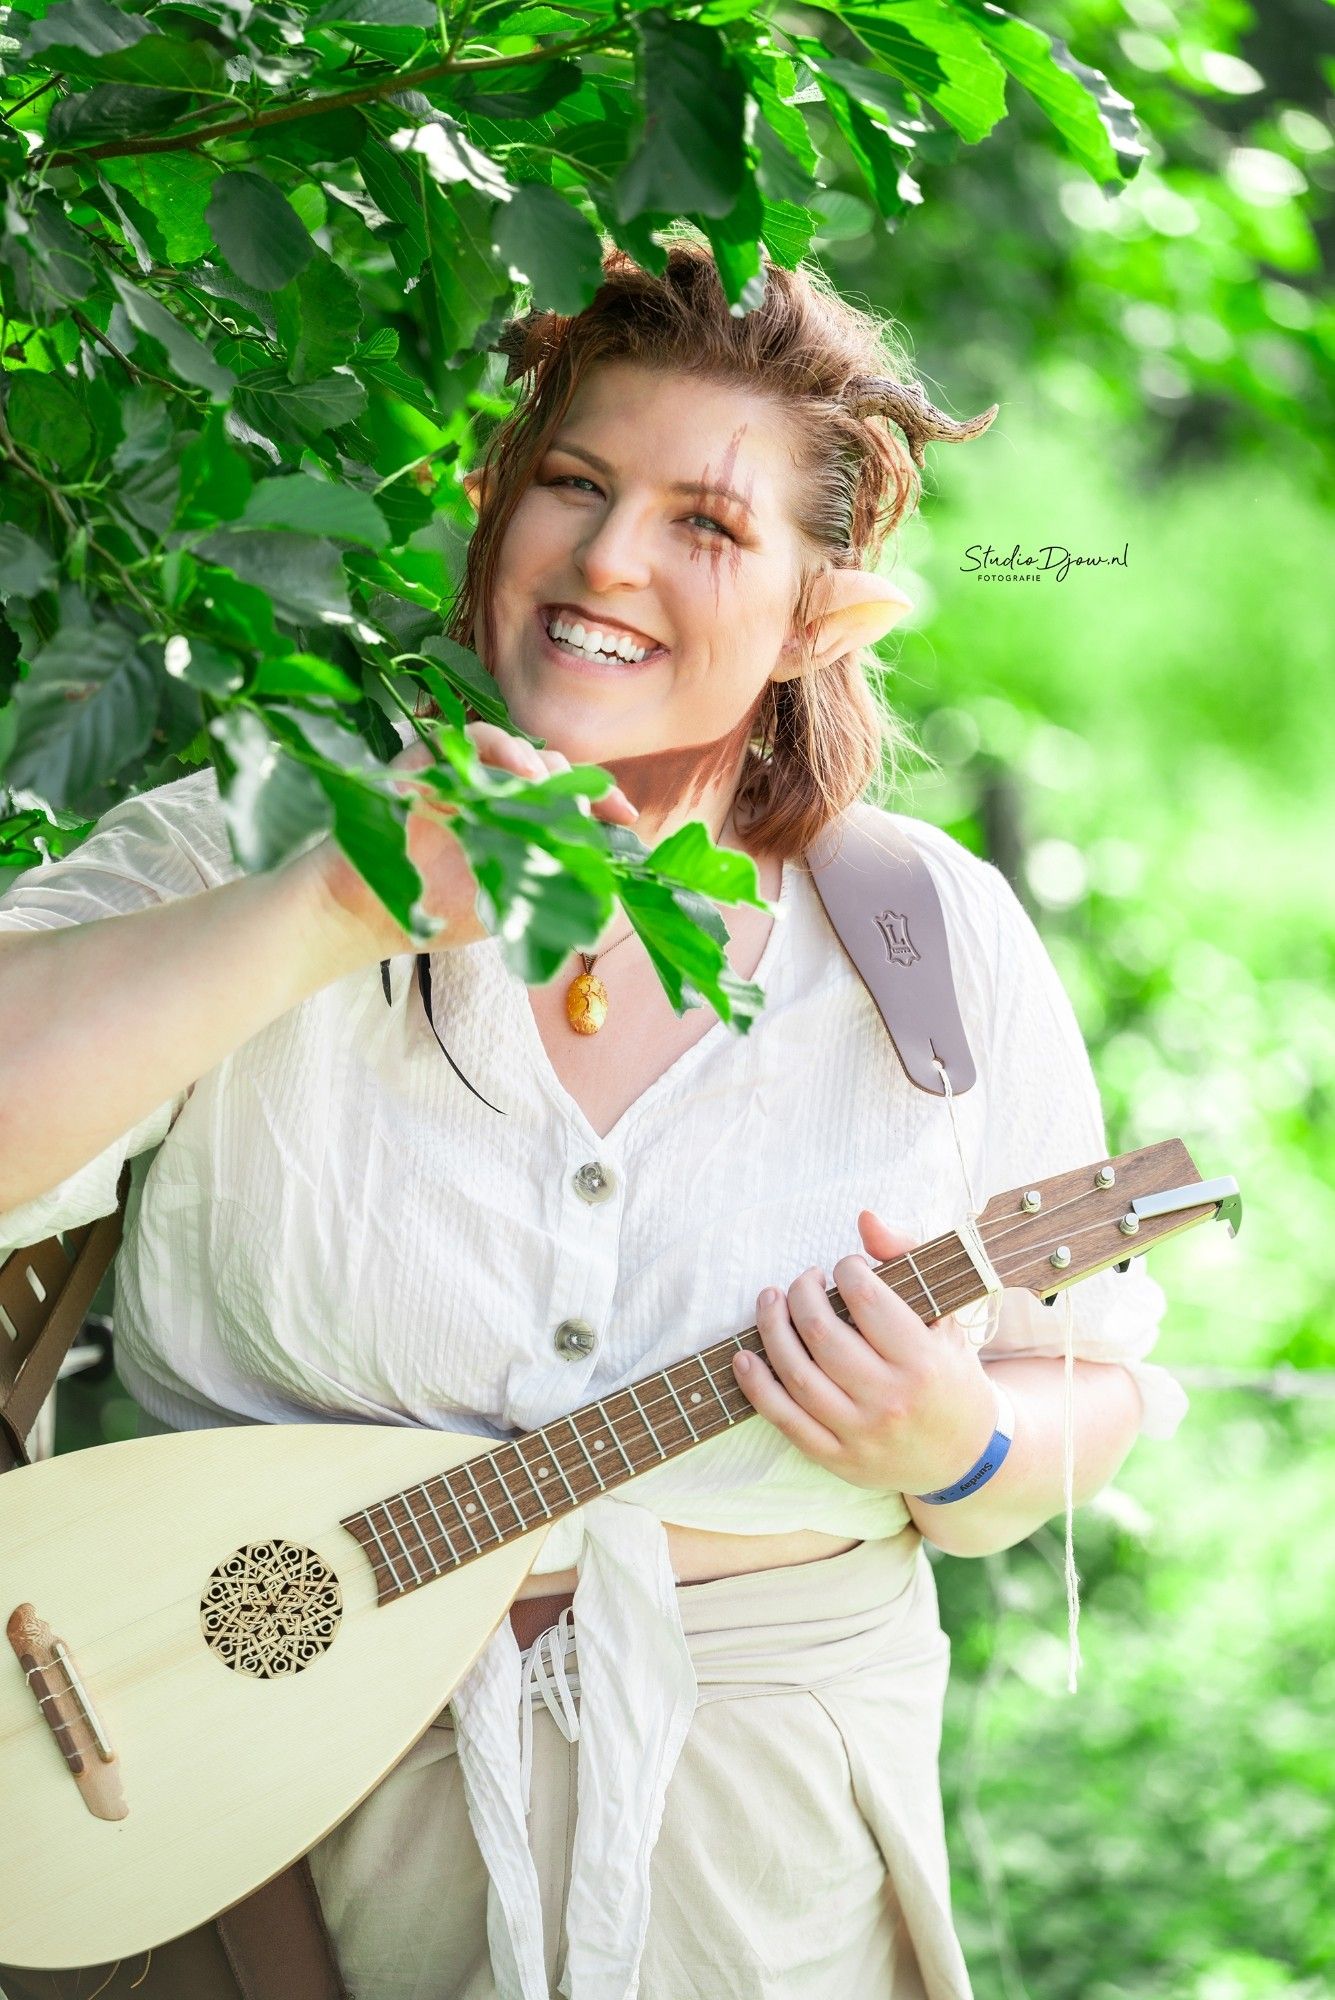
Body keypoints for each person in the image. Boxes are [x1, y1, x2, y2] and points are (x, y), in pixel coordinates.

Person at [0, 239, 1186, 2000]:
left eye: (707, 526)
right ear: (490, 508)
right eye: (574, 485)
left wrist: (962, 1445)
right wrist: (322, 908)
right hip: (228, 1796)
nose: (612, 561)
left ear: (817, 617)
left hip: (760, 1864)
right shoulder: (252, 834)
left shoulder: (926, 944)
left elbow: (1093, 1377)